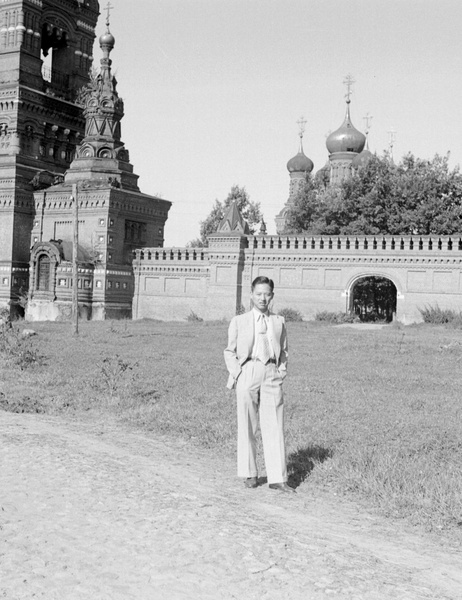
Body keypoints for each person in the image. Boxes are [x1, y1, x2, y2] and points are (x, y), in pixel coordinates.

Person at [224, 276, 295, 493]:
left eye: (267, 294)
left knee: (274, 423)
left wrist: (280, 371)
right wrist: (238, 373)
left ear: (272, 296)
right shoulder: (239, 321)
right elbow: (229, 351)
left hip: (271, 372)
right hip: (249, 370)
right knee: (247, 423)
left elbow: (284, 350)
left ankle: (277, 478)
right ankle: (250, 473)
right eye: (258, 294)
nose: (262, 298)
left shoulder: (278, 321)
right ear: (251, 295)